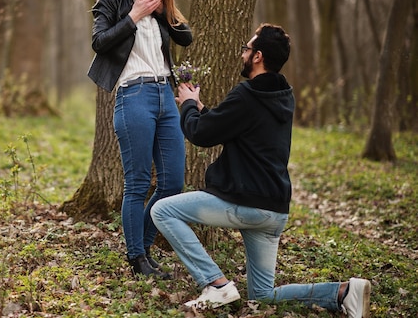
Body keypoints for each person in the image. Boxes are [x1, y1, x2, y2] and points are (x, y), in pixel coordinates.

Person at [150, 23, 371, 317]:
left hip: (246, 204)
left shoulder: (247, 95)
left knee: (162, 211)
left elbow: (202, 135)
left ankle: (215, 284)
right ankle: (343, 292)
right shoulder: (283, 96)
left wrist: (189, 106)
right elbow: (237, 126)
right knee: (263, 296)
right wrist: (202, 109)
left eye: (247, 48)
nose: (243, 54)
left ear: (258, 56)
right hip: (273, 210)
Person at [87, 0, 193, 278]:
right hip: (134, 95)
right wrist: (133, 15)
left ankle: (144, 247)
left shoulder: (161, 7)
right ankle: (137, 258)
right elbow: (99, 42)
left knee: (173, 181)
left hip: (165, 95)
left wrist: (160, 11)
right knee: (137, 183)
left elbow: (186, 38)